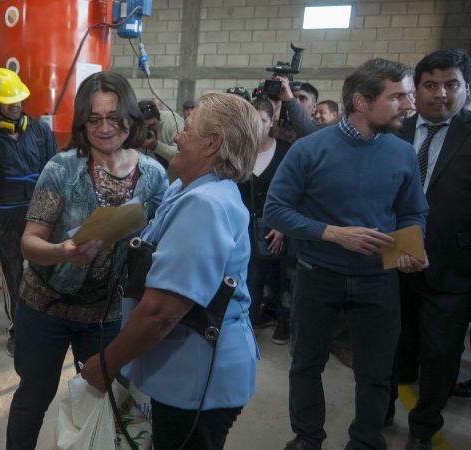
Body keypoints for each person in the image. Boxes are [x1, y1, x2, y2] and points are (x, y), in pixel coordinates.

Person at [264, 58, 429, 450]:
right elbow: (275, 210)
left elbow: (413, 211)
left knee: (375, 372)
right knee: (306, 365)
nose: (409, 105)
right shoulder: (309, 149)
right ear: (361, 100)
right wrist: (333, 234)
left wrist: (411, 246)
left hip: (379, 280)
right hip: (318, 274)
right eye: (398, 96)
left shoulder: (403, 153)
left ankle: (366, 441)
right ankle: (307, 438)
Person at [81, 92, 262, 450]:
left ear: (212, 144)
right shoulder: (188, 188)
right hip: (182, 372)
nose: (176, 136)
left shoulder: (205, 205)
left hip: (199, 381)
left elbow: (161, 313)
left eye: (188, 129)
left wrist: (106, 364)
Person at [6, 71, 168, 450]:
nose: (105, 127)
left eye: (115, 117)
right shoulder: (62, 169)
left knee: (114, 398)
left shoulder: (155, 176)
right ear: (82, 122)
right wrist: (63, 251)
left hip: (108, 313)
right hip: (45, 307)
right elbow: (29, 244)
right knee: (33, 399)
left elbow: (160, 244)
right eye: (94, 118)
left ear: (131, 117)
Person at [390, 49, 471, 450]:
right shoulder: (393, 130)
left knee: (440, 355)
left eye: (451, 84)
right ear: (416, 89)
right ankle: (379, 411)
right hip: (390, 260)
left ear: (465, 89)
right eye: (431, 85)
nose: (441, 94)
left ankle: (422, 429)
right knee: (388, 344)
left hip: (453, 269)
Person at [0, 68, 58, 357]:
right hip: (6, 215)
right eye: (9, 104)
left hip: (39, 211)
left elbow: (54, 173)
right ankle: (17, 330)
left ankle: (44, 325)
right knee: (12, 275)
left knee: (44, 270)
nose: (16, 107)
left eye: (19, 102)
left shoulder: (40, 131)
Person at [238, 97, 292, 344]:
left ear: (272, 122)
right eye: (252, 121)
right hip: (246, 227)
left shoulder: (286, 151)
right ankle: (246, 329)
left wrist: (282, 227)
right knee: (252, 278)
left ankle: (283, 321)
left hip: (278, 226)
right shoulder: (241, 151)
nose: (256, 127)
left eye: (262, 121)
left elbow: (295, 191)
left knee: (283, 278)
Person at [138, 99, 184, 178]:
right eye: (144, 127)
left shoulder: (172, 120)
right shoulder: (133, 127)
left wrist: (155, 145)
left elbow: (181, 154)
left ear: (159, 119)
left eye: (152, 125)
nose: (149, 130)